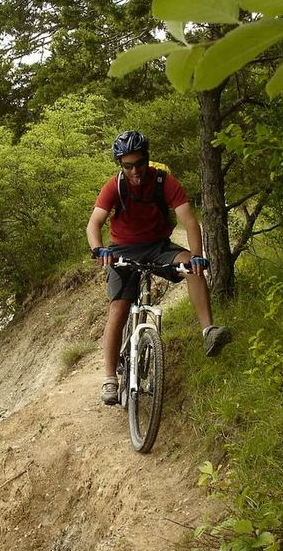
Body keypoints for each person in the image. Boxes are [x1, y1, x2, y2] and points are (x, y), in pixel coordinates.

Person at [86, 130, 231, 406]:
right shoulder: (114, 186)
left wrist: (197, 256)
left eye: (139, 163)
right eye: (127, 165)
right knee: (118, 306)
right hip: (122, 250)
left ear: (147, 160)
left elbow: (189, 221)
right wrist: (98, 249)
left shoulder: (164, 182)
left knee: (191, 267)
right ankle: (109, 378)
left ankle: (208, 331)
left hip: (158, 246)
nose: (135, 170)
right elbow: (94, 224)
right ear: (120, 165)